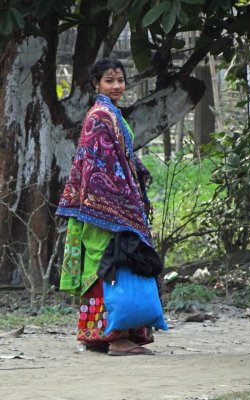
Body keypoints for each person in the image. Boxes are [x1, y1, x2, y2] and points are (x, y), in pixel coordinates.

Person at [56, 57, 158, 356]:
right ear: (96, 84)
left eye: (120, 80)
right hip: (105, 209)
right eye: (109, 81)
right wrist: (122, 206)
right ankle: (116, 338)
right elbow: (101, 167)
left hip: (106, 207)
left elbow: (120, 159)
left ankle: (100, 336)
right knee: (110, 265)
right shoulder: (100, 116)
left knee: (109, 264)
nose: (116, 86)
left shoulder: (110, 114)